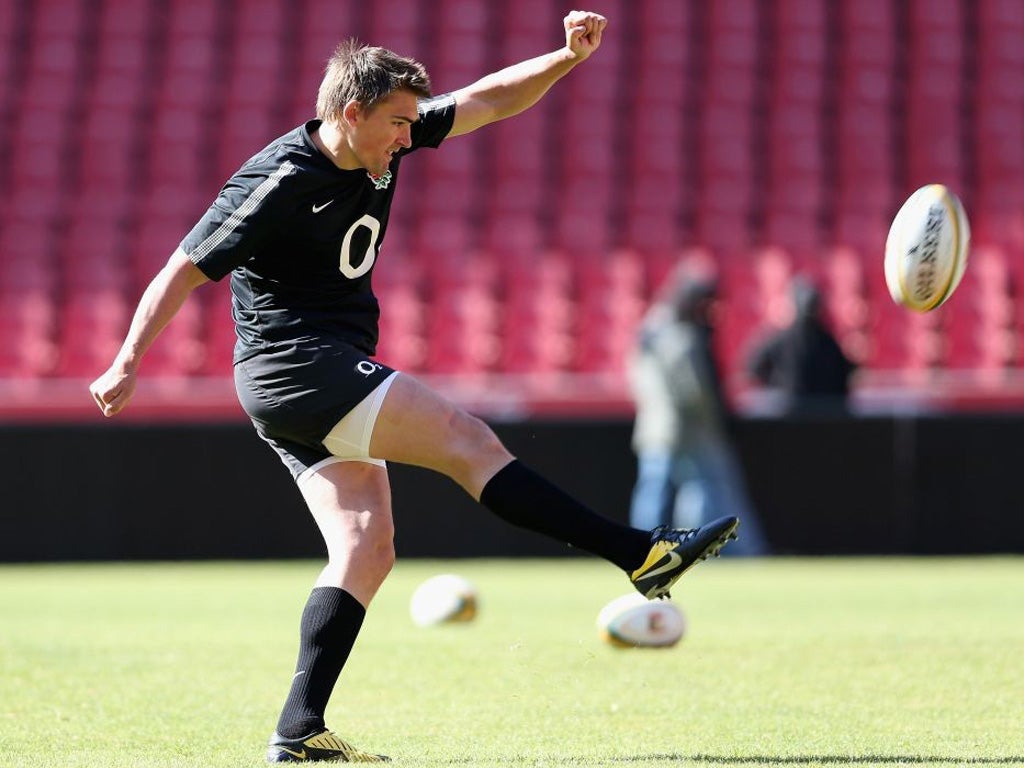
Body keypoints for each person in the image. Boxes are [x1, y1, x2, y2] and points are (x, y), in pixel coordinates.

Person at [89, 12, 739, 764]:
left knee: (366, 547)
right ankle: (642, 554)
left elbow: (489, 100)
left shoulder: (378, 143)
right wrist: (128, 358)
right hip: (295, 367)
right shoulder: (276, 179)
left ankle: (299, 729)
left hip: (304, 378)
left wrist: (565, 57)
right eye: (397, 124)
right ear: (351, 112)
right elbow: (182, 266)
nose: (408, 138)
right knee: (470, 442)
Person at [628, 266, 769, 556]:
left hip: (656, 427)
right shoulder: (682, 336)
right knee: (695, 491)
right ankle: (692, 549)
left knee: (656, 491)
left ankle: (642, 550)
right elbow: (696, 393)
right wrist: (718, 423)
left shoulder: (649, 331)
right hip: (685, 431)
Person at [746, 275, 857, 415]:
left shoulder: (784, 339)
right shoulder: (828, 342)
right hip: (816, 421)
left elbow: (753, 367)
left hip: (797, 419)